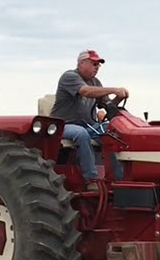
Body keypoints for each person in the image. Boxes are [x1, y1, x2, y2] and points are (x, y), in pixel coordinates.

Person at [52, 50, 130, 190]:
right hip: (63, 125)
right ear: (81, 63)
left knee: (112, 131)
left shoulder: (95, 82)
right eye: (93, 64)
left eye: (98, 65)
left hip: (88, 125)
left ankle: (120, 177)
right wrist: (114, 89)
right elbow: (86, 91)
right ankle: (91, 178)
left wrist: (120, 97)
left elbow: (107, 105)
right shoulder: (69, 76)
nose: (96, 68)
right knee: (81, 134)